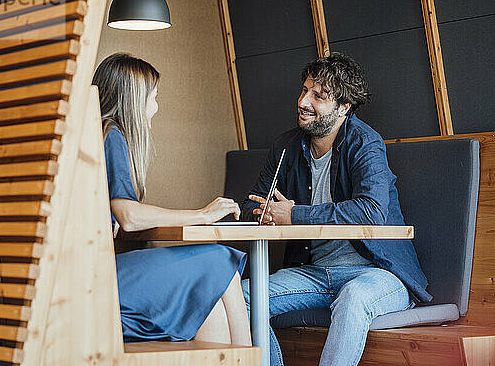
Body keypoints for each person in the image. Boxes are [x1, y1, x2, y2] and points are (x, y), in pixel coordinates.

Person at [241, 52, 431, 365]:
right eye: (304, 91)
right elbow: (252, 201)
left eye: (319, 96)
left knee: (354, 297)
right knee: (240, 297)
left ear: (344, 107)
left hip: (377, 272)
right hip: (315, 274)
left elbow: (371, 211)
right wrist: (261, 213)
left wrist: (293, 215)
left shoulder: (365, 142)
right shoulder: (286, 146)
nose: (304, 101)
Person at [93, 53, 251, 345]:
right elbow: (129, 216)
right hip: (97, 279)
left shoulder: (94, 136)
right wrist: (201, 215)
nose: (156, 107)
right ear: (134, 100)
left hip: (90, 274)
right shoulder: (111, 135)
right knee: (221, 259)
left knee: (207, 301)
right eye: (154, 97)